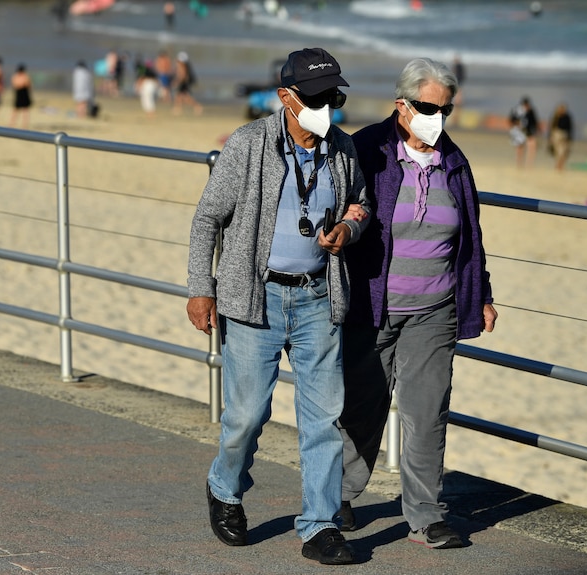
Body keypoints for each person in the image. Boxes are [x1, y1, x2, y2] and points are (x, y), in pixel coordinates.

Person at [187, 47, 369, 565]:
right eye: (316, 98)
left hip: (318, 297)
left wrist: (349, 227)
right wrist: (202, 288)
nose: (327, 107)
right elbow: (207, 220)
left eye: (333, 96)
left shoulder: (344, 149)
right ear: (286, 97)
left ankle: (319, 527)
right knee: (246, 415)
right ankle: (225, 488)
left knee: (324, 419)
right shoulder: (247, 145)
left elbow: (362, 204)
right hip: (253, 297)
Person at [338, 57, 497, 550]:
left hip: (435, 309)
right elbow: (337, 211)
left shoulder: (454, 160)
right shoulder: (368, 148)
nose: (438, 118)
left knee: (427, 414)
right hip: (372, 307)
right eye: (429, 107)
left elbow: (470, 235)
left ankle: (426, 515)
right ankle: (338, 496)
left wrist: (483, 294)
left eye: (444, 109)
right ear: (401, 106)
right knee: (362, 409)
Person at [510, 96, 538, 168]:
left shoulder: (531, 111)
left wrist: (535, 131)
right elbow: (512, 120)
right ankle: (519, 165)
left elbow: (534, 122)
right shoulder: (516, 110)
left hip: (529, 132)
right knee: (520, 149)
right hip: (519, 132)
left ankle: (529, 165)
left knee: (531, 148)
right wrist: (518, 125)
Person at [172, 52, 203, 116]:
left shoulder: (183, 66)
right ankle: (178, 108)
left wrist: (177, 82)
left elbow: (182, 75)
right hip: (184, 82)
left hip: (184, 82)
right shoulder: (184, 65)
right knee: (181, 96)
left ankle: (196, 106)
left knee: (183, 97)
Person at [548, 102, 573, 172]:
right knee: (557, 152)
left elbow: (570, 128)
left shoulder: (567, 117)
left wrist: (569, 138)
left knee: (563, 152)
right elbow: (552, 128)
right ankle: (558, 165)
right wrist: (550, 137)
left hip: (564, 136)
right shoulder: (555, 117)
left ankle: (560, 165)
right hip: (556, 135)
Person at [9, 63, 32, 128]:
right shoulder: (17, 76)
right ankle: (12, 123)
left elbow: (27, 84)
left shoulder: (25, 76)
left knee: (25, 110)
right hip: (19, 93)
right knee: (16, 109)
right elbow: (16, 84)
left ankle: (24, 124)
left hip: (24, 93)